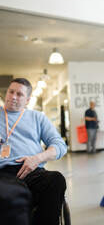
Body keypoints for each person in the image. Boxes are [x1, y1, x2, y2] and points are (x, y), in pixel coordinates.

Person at [0, 78, 67, 225]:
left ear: (28, 100)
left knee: (56, 179)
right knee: (13, 192)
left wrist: (37, 158)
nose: (13, 97)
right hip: (5, 172)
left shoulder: (37, 117)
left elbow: (60, 145)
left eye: (19, 94)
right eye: (11, 92)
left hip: (33, 169)